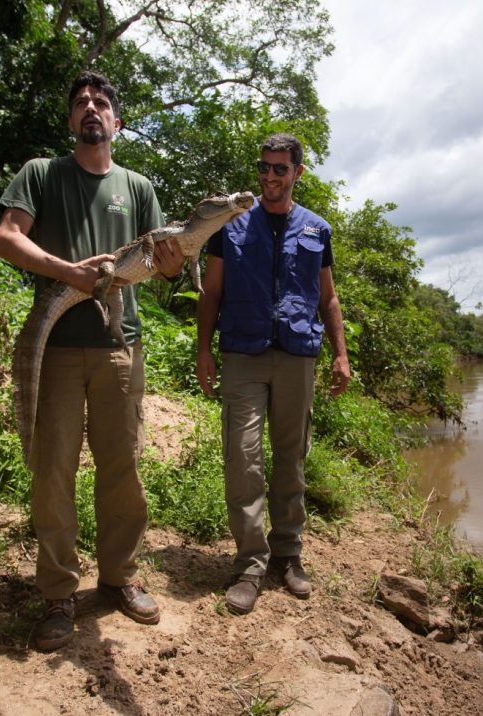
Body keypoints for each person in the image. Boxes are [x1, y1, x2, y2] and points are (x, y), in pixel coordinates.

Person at [0, 71, 184, 651]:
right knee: (53, 469)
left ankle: (119, 578)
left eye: (101, 102)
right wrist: (70, 272)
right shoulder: (42, 174)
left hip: (120, 345)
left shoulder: (139, 186)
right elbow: (6, 238)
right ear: (71, 121)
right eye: (81, 103)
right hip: (56, 349)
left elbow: (165, 266)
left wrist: (175, 259)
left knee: (121, 466)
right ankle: (57, 595)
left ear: (117, 123)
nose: (91, 109)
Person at [195, 132, 351, 615]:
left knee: (291, 457)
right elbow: (213, 292)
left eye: (279, 169)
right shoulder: (232, 225)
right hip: (242, 352)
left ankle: (287, 554)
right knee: (243, 458)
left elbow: (327, 297)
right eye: (264, 167)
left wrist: (341, 355)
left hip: (298, 353)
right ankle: (249, 562)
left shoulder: (317, 230)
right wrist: (203, 349)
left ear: (297, 173)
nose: (269, 177)